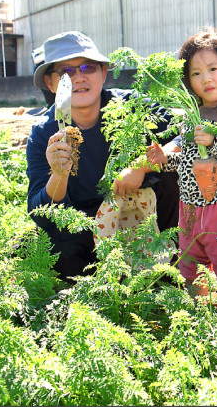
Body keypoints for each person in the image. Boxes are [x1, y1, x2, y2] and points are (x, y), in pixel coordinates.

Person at [26, 31, 180, 282]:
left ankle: (167, 272)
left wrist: (142, 166)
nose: (79, 77)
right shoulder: (44, 134)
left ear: (103, 72)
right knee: (57, 249)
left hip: (142, 225)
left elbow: (185, 137)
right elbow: (40, 212)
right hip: (83, 240)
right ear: (51, 84)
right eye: (66, 71)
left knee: (170, 175)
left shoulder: (134, 108)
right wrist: (58, 173)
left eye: (87, 67)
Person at [145, 27, 217, 325]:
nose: (206, 78)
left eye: (212, 69)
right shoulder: (189, 116)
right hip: (190, 209)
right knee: (190, 269)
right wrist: (165, 159)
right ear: (187, 81)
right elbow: (189, 162)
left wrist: (215, 143)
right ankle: (202, 323)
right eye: (196, 73)